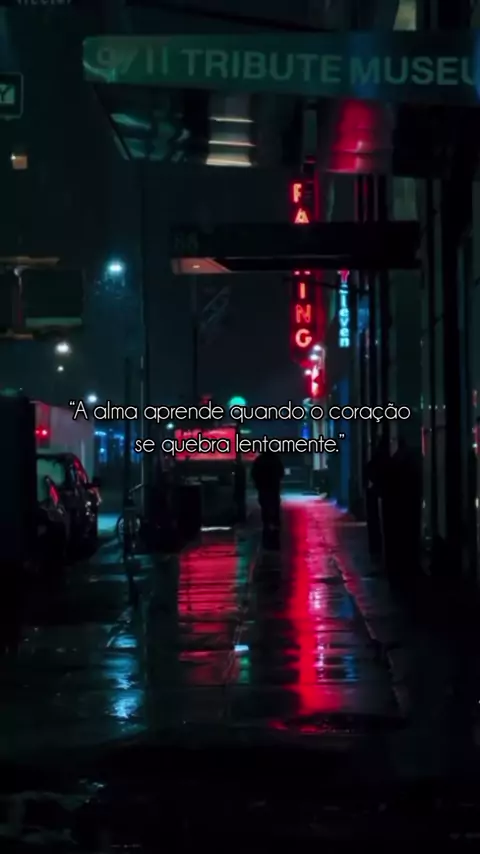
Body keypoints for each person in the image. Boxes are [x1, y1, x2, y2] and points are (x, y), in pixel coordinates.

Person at [251, 450, 284, 547]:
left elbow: (254, 474)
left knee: (265, 506)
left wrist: (257, 483)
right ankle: (275, 525)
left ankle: (267, 525)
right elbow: (281, 473)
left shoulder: (259, 460)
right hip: (274, 487)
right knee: (275, 505)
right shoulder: (276, 459)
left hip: (263, 487)